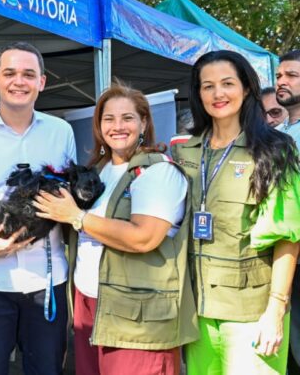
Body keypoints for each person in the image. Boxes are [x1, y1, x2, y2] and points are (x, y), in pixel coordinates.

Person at [34, 84, 196, 375]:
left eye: (128, 118)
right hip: (90, 303)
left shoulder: (158, 172)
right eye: (108, 119)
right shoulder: (98, 171)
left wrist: (78, 217)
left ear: (144, 122)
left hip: (137, 315)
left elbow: (143, 237)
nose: (117, 126)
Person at [171, 50, 300, 374]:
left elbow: (287, 237)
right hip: (197, 312)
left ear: (246, 88)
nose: (218, 94)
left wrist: (275, 311)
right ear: (198, 94)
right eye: (207, 86)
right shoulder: (185, 151)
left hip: (251, 313)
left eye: (227, 83)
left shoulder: (276, 149)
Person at [0, 41, 76, 375]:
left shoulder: (61, 132)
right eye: (9, 73)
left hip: (47, 281)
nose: (18, 81)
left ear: (42, 82)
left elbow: (69, 197)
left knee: (47, 370)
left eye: (27, 74)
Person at [272, 50, 300, 375]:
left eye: (291, 75)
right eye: (280, 75)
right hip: (279, 262)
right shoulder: (279, 135)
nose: (282, 81)